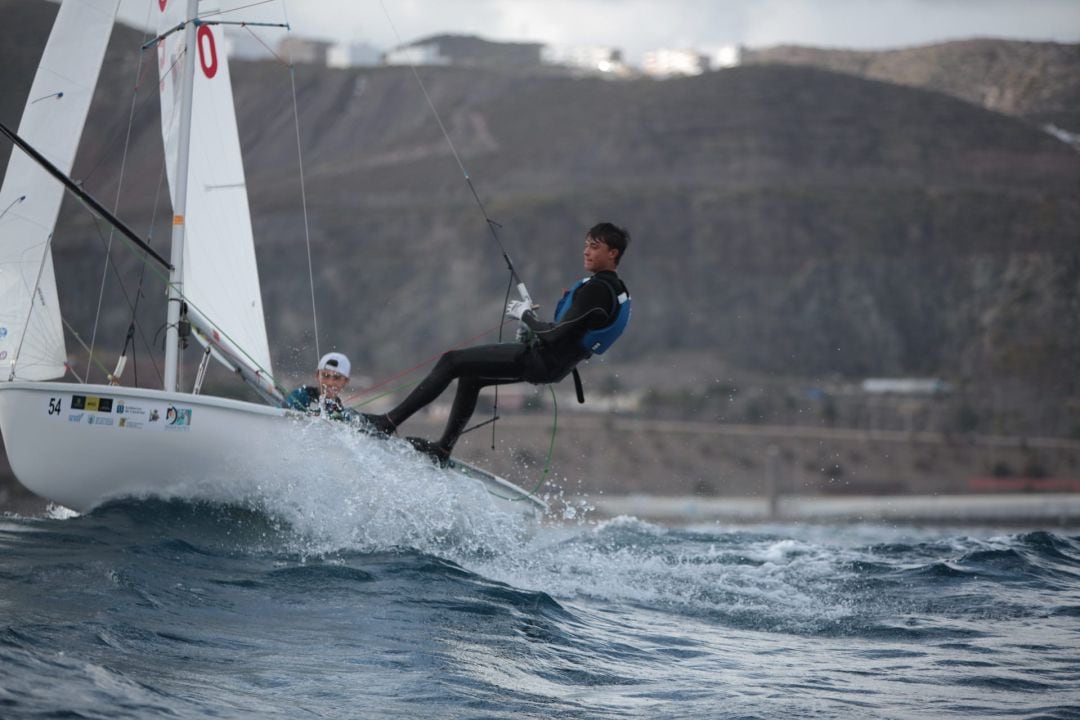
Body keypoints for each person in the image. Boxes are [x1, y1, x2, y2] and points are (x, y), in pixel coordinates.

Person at [363, 222, 632, 465]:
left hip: (542, 360)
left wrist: (524, 315)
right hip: (552, 363)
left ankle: (387, 422)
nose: (586, 251)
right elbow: (567, 334)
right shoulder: (614, 289)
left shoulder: (598, 290)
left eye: (594, 247)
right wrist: (532, 329)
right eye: (585, 245)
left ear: (613, 253)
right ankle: (443, 449)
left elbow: (555, 335)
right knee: (471, 376)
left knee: (452, 361)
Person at [283, 351, 355, 421]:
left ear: (346, 381)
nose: (330, 383)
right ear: (317, 375)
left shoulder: (343, 415)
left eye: (337, 378)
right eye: (325, 376)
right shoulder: (299, 397)